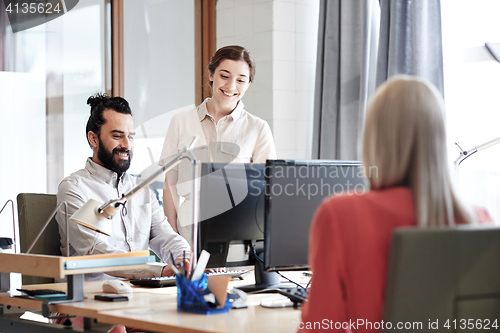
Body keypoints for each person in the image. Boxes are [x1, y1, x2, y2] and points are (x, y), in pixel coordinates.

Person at [298, 76, 493, 332]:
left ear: (373, 139)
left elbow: (322, 326)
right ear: (438, 139)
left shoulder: (341, 214)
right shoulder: (479, 220)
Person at [56, 94, 190, 281]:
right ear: (93, 139)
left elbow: (166, 237)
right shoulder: (75, 189)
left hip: (140, 295)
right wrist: (159, 271)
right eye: (117, 136)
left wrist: (186, 260)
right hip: (91, 298)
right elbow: (96, 251)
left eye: (131, 136)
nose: (127, 145)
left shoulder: (141, 190)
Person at [160, 45, 277, 242]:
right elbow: (170, 181)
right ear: (211, 74)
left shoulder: (257, 128)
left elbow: (266, 189)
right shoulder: (181, 121)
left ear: (248, 84)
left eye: (241, 80)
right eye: (225, 76)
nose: (231, 86)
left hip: (239, 231)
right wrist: (173, 236)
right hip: (189, 233)